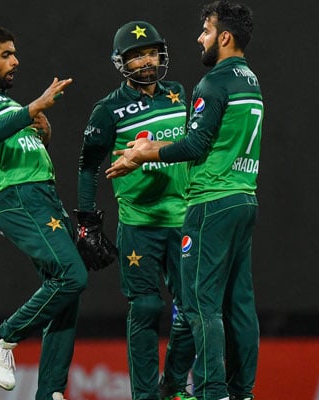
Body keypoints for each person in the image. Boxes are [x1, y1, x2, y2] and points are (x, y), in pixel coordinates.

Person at [106, 2, 262, 399]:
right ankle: (241, 392)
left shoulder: (212, 84)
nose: (200, 38)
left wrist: (143, 153)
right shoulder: (251, 81)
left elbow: (194, 145)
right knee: (239, 304)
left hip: (211, 203)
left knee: (199, 306)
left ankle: (212, 393)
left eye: (206, 31)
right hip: (245, 198)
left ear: (224, 37)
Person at [0, 26, 84, 400]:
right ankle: (0, 337)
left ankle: (52, 393)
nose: (16, 61)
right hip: (18, 198)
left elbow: (18, 142)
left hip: (43, 197)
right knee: (72, 276)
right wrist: (31, 109)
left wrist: (42, 133)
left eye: (14, 53)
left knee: (65, 290)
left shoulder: (4, 102)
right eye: (6, 54)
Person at [76, 21, 196, 400]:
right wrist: (87, 221)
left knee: (194, 309)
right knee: (145, 306)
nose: (146, 61)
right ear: (120, 62)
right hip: (139, 224)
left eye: (151, 52)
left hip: (182, 217)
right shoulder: (108, 110)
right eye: (136, 55)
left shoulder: (178, 93)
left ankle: (173, 387)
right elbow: (88, 166)